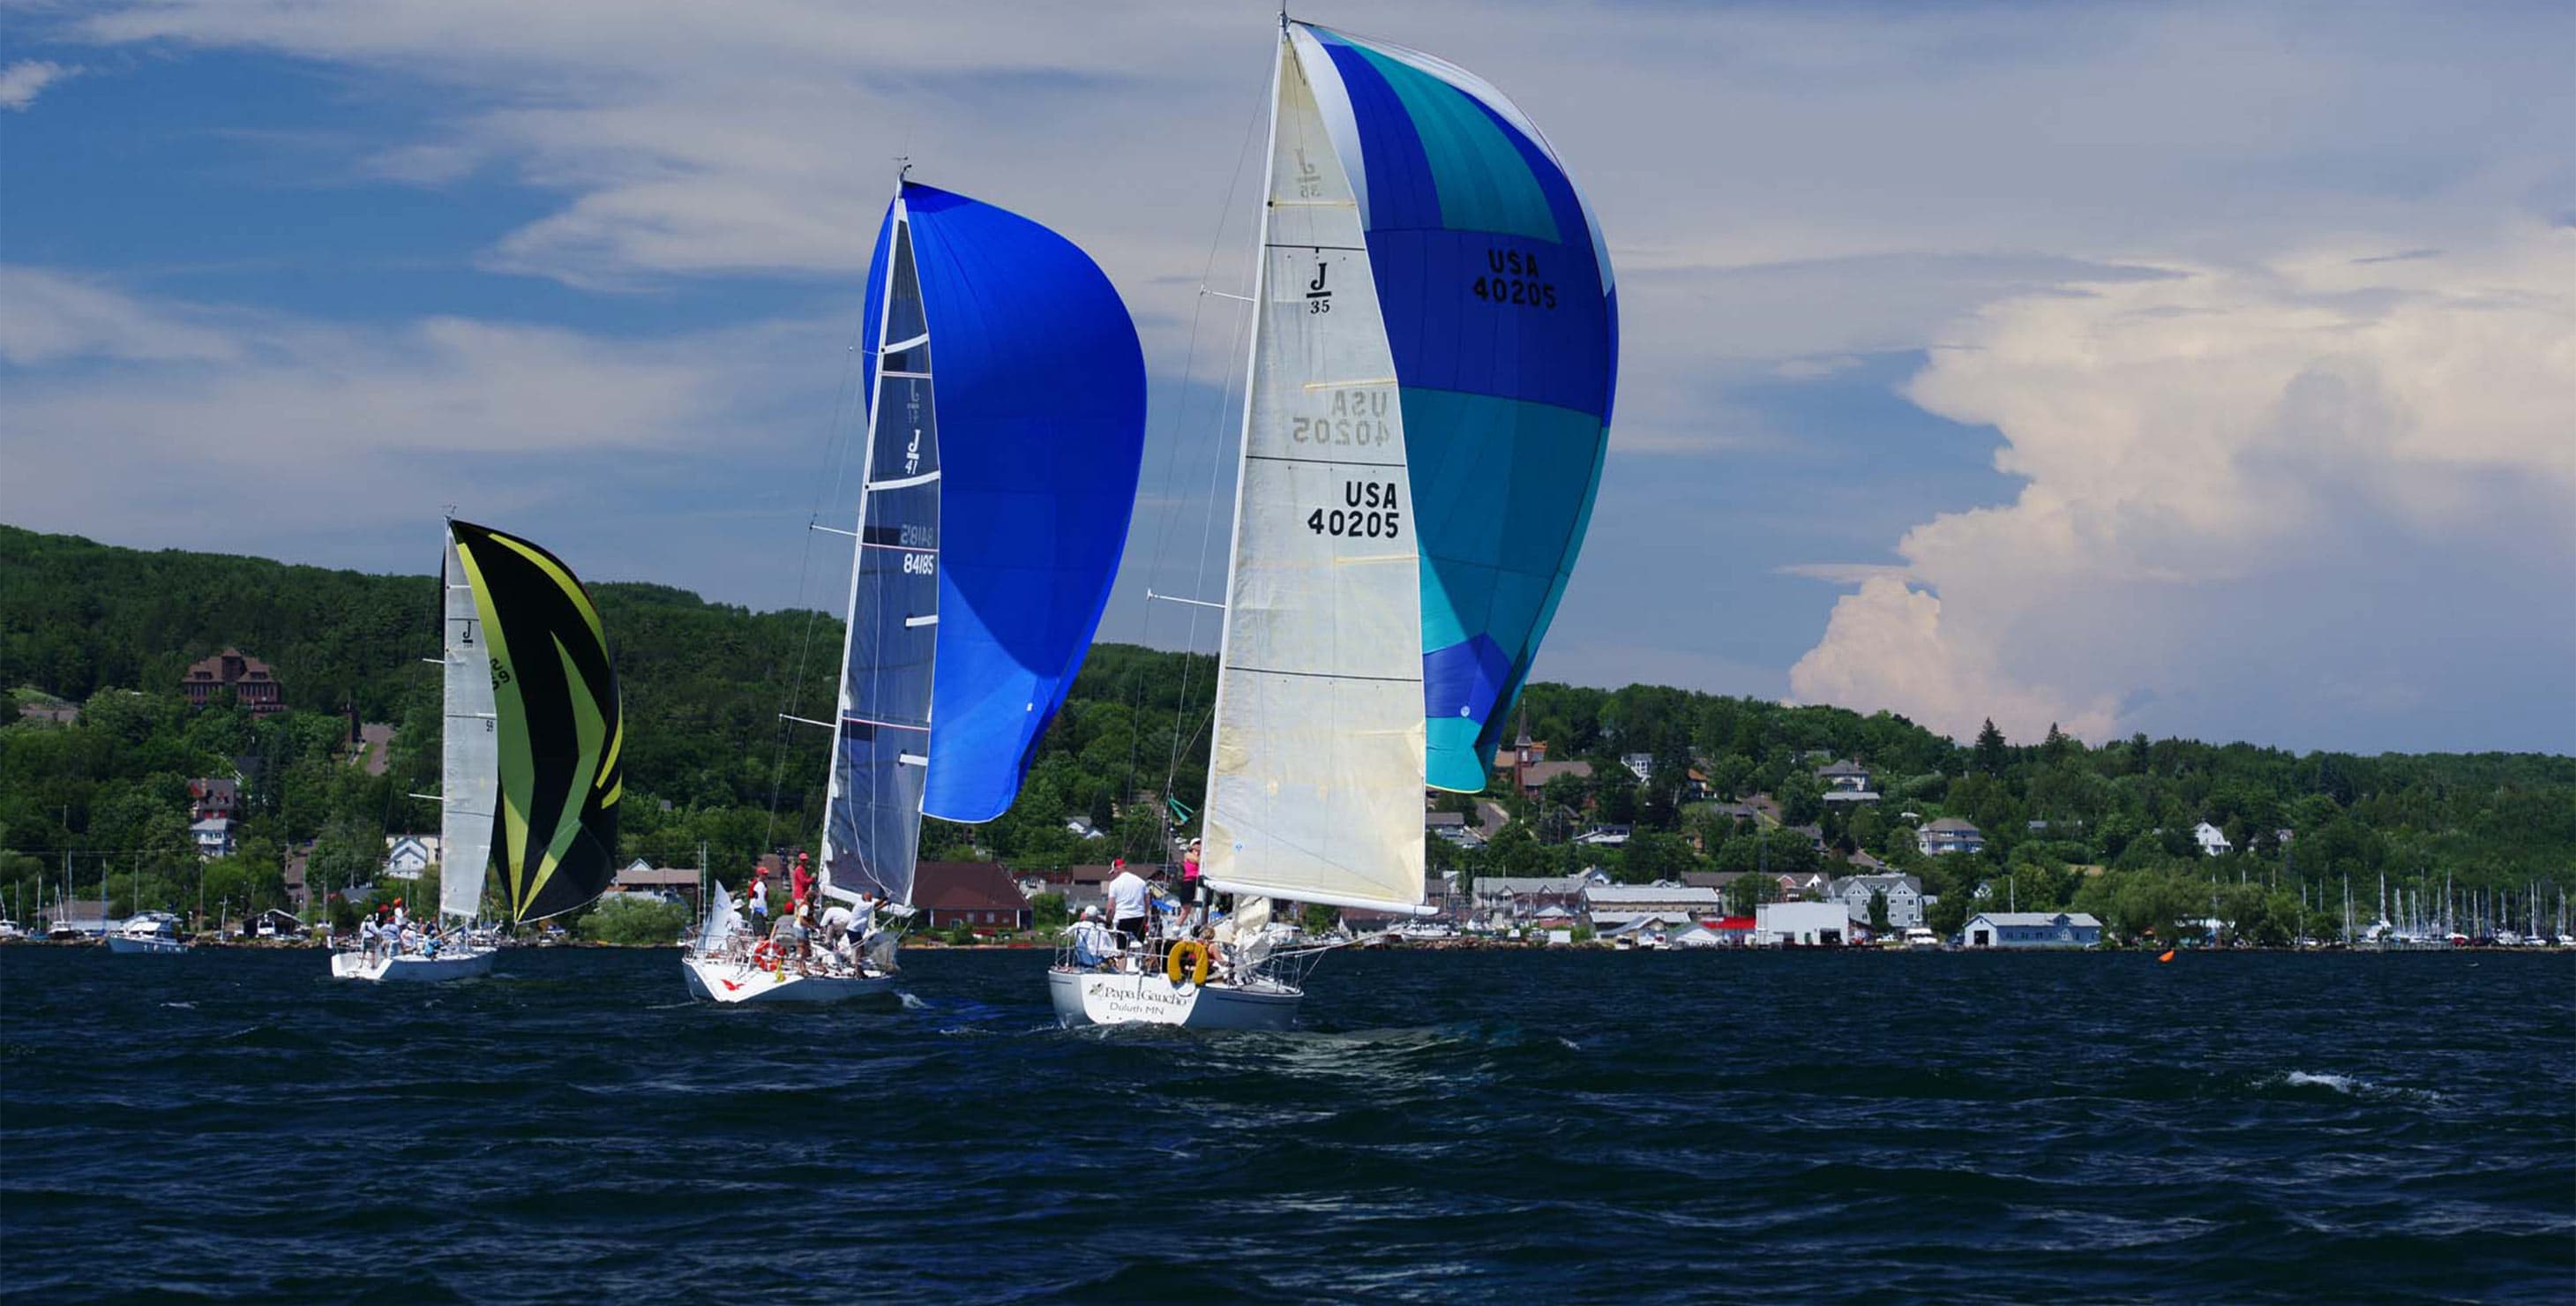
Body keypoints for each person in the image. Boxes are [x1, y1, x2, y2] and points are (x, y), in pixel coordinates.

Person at [1105, 859, 1153, 955]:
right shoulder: (1141, 882)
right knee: (1144, 943)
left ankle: (1122, 970)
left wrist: (1108, 922)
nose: (1114, 874)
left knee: (1122, 950)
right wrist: (1145, 915)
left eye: (1114, 871)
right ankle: (1149, 965)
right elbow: (1147, 902)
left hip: (1122, 918)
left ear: (1117, 869)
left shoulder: (1114, 884)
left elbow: (1110, 908)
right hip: (1139, 918)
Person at [1068, 904, 1118, 969]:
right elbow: (1107, 949)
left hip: (1082, 958)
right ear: (1096, 916)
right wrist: (1118, 953)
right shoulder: (1100, 930)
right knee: (1112, 957)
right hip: (1097, 960)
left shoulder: (1077, 926)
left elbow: (1066, 932)